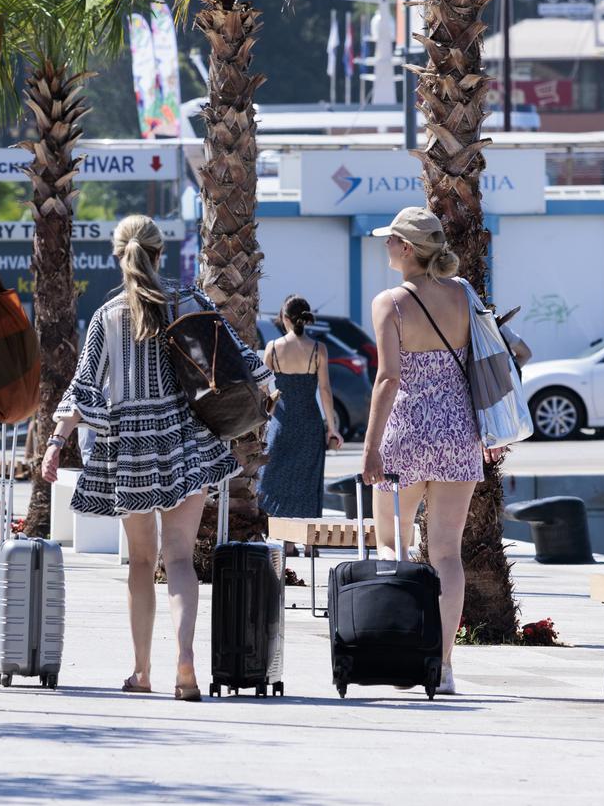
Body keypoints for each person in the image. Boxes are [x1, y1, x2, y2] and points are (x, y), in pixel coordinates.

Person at [42, 214, 272, 702]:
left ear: (117, 255)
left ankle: (142, 671)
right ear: (160, 253)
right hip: (187, 440)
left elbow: (84, 387)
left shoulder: (108, 317)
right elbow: (246, 361)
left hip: (131, 449)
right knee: (182, 560)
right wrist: (266, 395)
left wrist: (54, 442)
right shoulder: (187, 299)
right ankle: (185, 663)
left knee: (141, 563)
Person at [362, 206, 486, 696]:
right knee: (447, 554)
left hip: (409, 432)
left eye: (390, 240)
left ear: (407, 248)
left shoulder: (390, 302)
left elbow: (388, 378)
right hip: (459, 432)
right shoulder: (462, 293)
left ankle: (401, 649)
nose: (386, 247)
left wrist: (370, 449)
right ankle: (445, 664)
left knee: (392, 543)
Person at [257, 295, 343, 518]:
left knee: (274, 480)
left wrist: (263, 423)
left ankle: (286, 540)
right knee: (308, 480)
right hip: (310, 424)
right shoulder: (318, 349)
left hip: (281, 424)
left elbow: (264, 390)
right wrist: (331, 428)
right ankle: (308, 542)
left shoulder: (273, 348)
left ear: (285, 319)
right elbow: (324, 390)